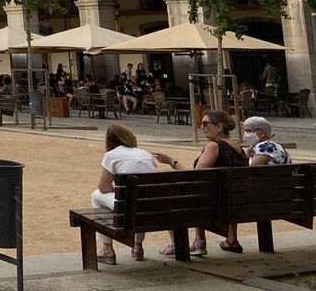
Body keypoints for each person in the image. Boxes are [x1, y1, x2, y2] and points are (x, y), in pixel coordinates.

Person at [152, 109, 248, 256]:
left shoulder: (214, 146)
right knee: (212, 189)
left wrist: (172, 161)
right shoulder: (238, 147)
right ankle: (230, 239)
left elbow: (194, 176)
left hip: (213, 205)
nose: (202, 127)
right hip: (236, 203)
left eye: (205, 124)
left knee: (183, 193)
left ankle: (197, 242)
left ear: (219, 126)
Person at [89, 123, 156, 264]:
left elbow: (103, 187)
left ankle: (107, 248)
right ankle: (138, 246)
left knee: (96, 196)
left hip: (127, 207)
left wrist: (116, 189)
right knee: (140, 197)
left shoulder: (111, 155)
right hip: (150, 206)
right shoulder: (145, 154)